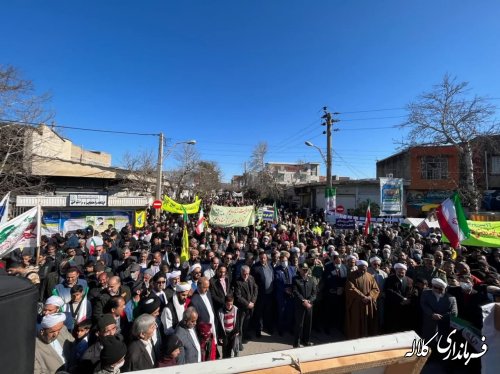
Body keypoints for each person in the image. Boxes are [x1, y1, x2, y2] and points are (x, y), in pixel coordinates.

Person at [345, 260, 380, 339]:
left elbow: (376, 289)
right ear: (357, 267)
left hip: (368, 303)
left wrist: (370, 297)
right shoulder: (351, 275)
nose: (363, 270)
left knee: (368, 320)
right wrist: (362, 297)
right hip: (356, 303)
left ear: (367, 268)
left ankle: (368, 335)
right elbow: (351, 288)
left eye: (364, 268)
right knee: (356, 321)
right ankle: (355, 336)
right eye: (361, 268)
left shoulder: (370, 276)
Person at [189, 277, 217, 360]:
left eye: (208, 287)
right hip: (204, 337)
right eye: (205, 287)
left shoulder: (207, 293)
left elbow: (211, 311)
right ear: (198, 286)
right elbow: (195, 322)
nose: (207, 289)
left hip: (213, 330)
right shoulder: (194, 300)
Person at [384, 263, 415, 333]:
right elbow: (389, 291)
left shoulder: (409, 280)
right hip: (393, 306)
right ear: (396, 271)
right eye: (399, 272)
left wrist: (408, 299)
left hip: (405, 306)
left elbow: (411, 291)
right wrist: (401, 299)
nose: (401, 274)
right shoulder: (389, 279)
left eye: (403, 272)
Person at [292, 263, 317, 347]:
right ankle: (297, 342)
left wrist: (309, 301)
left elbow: (314, 293)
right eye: (304, 269)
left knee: (308, 324)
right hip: (300, 305)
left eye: (306, 269)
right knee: (299, 324)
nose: (305, 271)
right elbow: (295, 292)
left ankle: (306, 341)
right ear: (299, 269)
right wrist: (303, 301)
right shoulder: (295, 279)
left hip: (309, 305)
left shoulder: (311, 279)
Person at [233, 265, 258, 347]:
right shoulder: (238, 282)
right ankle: (239, 342)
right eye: (244, 274)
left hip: (251, 306)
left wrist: (253, 301)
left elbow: (255, 289)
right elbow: (238, 296)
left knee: (247, 323)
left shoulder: (251, 278)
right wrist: (247, 304)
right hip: (242, 308)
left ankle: (245, 336)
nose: (246, 276)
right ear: (241, 273)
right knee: (240, 325)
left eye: (247, 274)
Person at [251, 252, 275, 337]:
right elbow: (253, 282)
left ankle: (268, 328)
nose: (262, 259)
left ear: (266, 258)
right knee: (259, 313)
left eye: (264, 258)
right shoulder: (255, 267)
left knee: (268, 312)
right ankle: (258, 330)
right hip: (261, 295)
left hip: (270, 294)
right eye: (261, 258)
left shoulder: (270, 266)